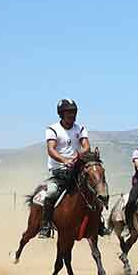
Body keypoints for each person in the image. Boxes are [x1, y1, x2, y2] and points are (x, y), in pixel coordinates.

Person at [38, 99, 90, 238]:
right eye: (69, 112)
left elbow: (86, 146)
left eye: (74, 112)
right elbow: (51, 149)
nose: (72, 115)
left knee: (95, 188)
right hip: (58, 171)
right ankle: (46, 225)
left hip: (77, 170)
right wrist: (65, 160)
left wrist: (79, 156)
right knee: (51, 193)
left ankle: (99, 225)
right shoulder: (53, 129)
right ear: (61, 114)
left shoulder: (80, 129)